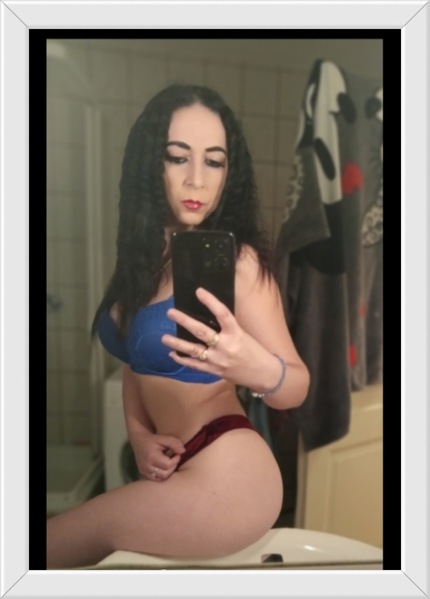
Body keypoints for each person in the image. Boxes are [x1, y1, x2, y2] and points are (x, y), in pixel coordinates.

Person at [46, 83, 310, 569]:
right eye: (178, 157)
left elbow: (296, 386)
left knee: (50, 545)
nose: (196, 180)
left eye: (214, 162)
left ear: (230, 173)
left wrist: (253, 367)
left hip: (231, 472)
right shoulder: (142, 257)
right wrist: (138, 434)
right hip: (175, 465)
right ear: (152, 162)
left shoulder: (240, 263)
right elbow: (135, 361)